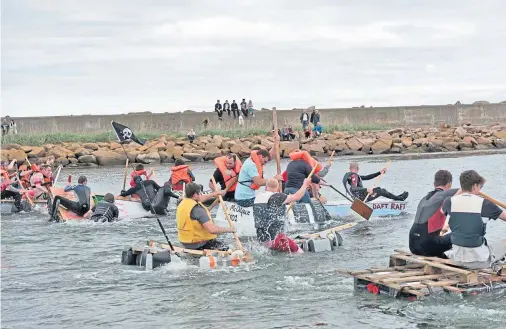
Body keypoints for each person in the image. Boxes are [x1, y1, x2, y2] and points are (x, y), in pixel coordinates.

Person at [440, 170, 506, 270]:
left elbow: (442, 210)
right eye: (479, 187)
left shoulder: (449, 202)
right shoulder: (485, 204)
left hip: (456, 258)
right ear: (475, 186)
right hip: (479, 261)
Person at [409, 170, 461, 258]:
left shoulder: (425, 198)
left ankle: (442, 256)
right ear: (449, 184)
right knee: (462, 235)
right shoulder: (444, 197)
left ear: (434, 184)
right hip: (426, 247)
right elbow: (463, 190)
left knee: (437, 237)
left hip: (413, 245)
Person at [254, 178, 311, 253]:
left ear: (265, 187)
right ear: (277, 188)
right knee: (300, 252)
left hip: (262, 241)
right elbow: (297, 197)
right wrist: (305, 185)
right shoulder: (276, 197)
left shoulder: (258, 197)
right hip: (276, 240)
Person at [176, 183, 235, 250]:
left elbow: (200, 198)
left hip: (185, 242)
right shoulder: (198, 210)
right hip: (199, 244)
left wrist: (213, 194)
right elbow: (212, 230)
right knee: (226, 247)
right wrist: (229, 229)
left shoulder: (182, 203)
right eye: (200, 193)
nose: (201, 195)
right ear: (195, 195)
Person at [343, 162, 408, 201]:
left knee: (378, 189)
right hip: (360, 199)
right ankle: (400, 198)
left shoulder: (349, 176)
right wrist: (367, 189)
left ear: (350, 169)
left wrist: (379, 172)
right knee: (381, 191)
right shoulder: (354, 176)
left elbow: (367, 177)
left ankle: (396, 197)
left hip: (356, 197)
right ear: (358, 168)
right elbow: (353, 188)